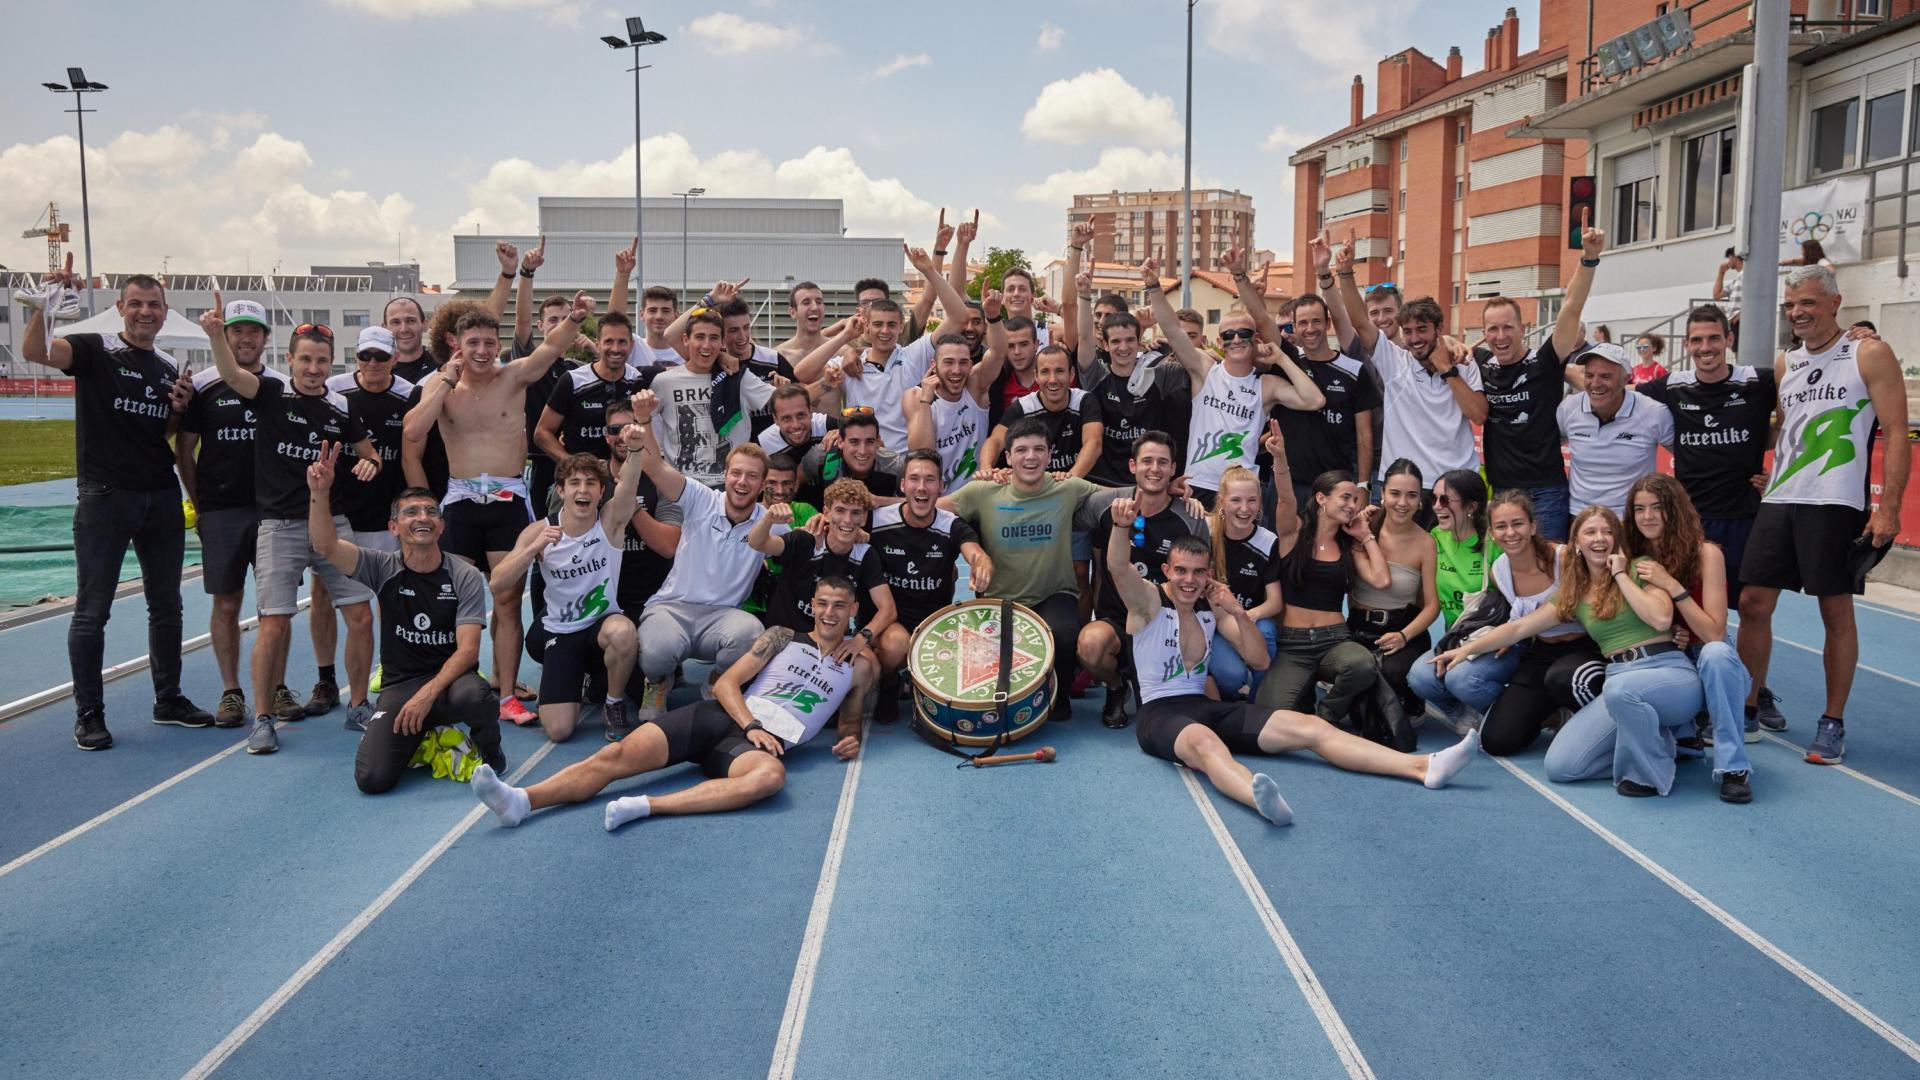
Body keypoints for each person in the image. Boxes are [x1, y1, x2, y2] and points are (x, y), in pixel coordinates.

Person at [1110, 524, 1480, 827]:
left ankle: (1422, 767)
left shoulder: (1213, 608)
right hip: (1160, 714)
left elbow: (1257, 661)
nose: (1189, 580)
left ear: (1209, 574)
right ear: (1167, 572)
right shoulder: (1148, 603)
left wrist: (1238, 612)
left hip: (1206, 707)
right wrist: (1121, 526)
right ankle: (1259, 802)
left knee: (1312, 728)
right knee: (1206, 745)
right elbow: (1117, 567)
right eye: (1181, 571)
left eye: (1197, 572)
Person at [471, 577, 871, 830]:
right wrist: (750, 724)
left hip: (755, 750)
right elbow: (727, 684)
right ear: (813, 605)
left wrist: (849, 738)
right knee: (619, 754)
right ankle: (521, 800)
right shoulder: (783, 636)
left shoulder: (860, 667)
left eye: (839, 606)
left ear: (853, 610)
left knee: (769, 779)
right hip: (726, 718)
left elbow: (849, 722)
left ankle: (646, 805)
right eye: (822, 603)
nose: (829, 613)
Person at [20, 266, 210, 751]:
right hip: (106, 496)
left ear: (164, 314)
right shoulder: (93, 348)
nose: (145, 311)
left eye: (154, 305)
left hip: (160, 494)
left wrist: (178, 410)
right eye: (136, 303)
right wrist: (42, 312)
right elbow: (36, 352)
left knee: (167, 605)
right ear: (121, 308)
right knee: (92, 610)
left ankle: (168, 699)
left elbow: (160, 432)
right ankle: (89, 714)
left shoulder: (168, 366)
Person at [1738, 265, 1909, 764]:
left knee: (1834, 612)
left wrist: (1888, 508)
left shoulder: (1868, 352)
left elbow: (1897, 431)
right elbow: (1792, 429)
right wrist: (1776, 472)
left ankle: (1832, 722)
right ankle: (1748, 705)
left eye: (1808, 303)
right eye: (1792, 306)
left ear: (1835, 303)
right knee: (1751, 602)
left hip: (1835, 502)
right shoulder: (1786, 361)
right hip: (1782, 498)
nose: (1798, 313)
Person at [199, 300, 380, 755]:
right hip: (279, 525)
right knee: (274, 622)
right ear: (290, 360)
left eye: (321, 360)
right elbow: (230, 372)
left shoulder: (340, 408)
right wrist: (217, 336)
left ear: (330, 362)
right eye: (305, 359)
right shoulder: (268, 393)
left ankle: (358, 705)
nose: (314, 368)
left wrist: (369, 466)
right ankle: (262, 719)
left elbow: (370, 452)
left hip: (331, 522)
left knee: (360, 615)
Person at [403, 296, 591, 724]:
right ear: (458, 346)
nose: (483, 351)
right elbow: (414, 430)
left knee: (506, 602)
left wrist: (576, 319)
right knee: (449, 601)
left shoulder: (514, 376)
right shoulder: (440, 383)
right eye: (474, 343)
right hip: (461, 503)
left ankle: (506, 696)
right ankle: (453, 684)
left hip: (507, 503)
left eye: (490, 342)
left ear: (498, 344)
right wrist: (446, 383)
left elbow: (550, 350)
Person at [1436, 506, 1703, 797]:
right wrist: (1466, 650)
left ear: (1618, 539)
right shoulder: (1576, 592)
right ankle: (1660, 745)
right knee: (1561, 767)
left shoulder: (1641, 568)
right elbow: (1518, 628)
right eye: (1590, 532)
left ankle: (1651, 769)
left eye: (1607, 531)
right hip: (1619, 677)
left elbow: (1661, 618)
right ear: (1576, 543)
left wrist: (1621, 574)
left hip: (1664, 671)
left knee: (1620, 690)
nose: (1599, 538)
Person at [303, 445, 503, 794]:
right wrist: (319, 493)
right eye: (411, 512)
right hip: (400, 686)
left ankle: (490, 751)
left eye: (430, 512)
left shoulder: (464, 575)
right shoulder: (381, 566)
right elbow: (325, 545)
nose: (422, 517)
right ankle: (426, 732)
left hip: (451, 683)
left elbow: (469, 652)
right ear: (394, 527)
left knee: (477, 696)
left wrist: (427, 695)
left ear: (441, 526)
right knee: (373, 780)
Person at [625, 391, 776, 723]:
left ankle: (718, 680)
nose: (742, 482)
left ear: (763, 483)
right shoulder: (700, 498)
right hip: (673, 608)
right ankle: (660, 680)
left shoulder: (769, 522)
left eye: (752, 476)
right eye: (736, 473)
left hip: (722, 618)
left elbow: (806, 544)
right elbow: (652, 464)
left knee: (751, 635)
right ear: (726, 473)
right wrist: (644, 418)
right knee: (656, 652)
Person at [942, 417, 1104, 721]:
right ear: (1008, 457)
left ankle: (1061, 695)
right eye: (1022, 450)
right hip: (1000, 599)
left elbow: (1117, 495)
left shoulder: (1067, 487)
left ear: (1049, 455)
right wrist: (873, 507)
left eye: (1039, 450)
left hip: (1053, 594)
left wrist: (1166, 489)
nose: (1030, 457)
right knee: (992, 675)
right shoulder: (983, 490)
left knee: (1065, 634)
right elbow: (927, 509)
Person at [491, 440, 647, 743]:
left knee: (623, 631)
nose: (583, 490)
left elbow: (629, 484)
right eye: (574, 483)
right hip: (559, 632)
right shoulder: (539, 531)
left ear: (602, 492)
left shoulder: (610, 522)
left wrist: (637, 451)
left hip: (602, 627)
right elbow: (497, 582)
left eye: (591, 483)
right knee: (560, 731)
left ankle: (613, 703)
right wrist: (534, 550)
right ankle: (578, 678)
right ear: (560, 491)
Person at [1141, 252, 1324, 507]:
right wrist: (1153, 286)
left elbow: (1314, 400)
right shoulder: (1205, 370)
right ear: (1219, 342)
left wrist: (1281, 358)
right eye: (1229, 334)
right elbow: (1172, 328)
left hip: (1242, 492)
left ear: (1255, 338)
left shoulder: (1266, 385)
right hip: (1200, 485)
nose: (1236, 339)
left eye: (1243, 333)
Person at [176, 299, 284, 728]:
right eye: (236, 330)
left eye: (253, 331)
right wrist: (199, 505)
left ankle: (276, 687)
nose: (245, 338)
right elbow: (184, 450)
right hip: (222, 511)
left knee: (274, 607)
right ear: (224, 335)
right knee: (227, 603)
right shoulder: (204, 386)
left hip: (273, 512)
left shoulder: (279, 385)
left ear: (265, 338)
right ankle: (232, 692)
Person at [1634, 305, 1773, 616]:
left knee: (1751, 608)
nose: (1705, 348)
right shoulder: (1672, 386)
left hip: (1742, 518)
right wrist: (1563, 368)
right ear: (1686, 345)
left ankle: (1741, 666)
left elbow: (1805, 393)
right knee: (1683, 607)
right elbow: (1612, 388)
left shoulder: (1757, 382)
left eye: (1714, 338)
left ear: (1729, 339)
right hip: (1689, 520)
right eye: (1697, 340)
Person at [1623, 474, 1754, 803]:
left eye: (1657, 507)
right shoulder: (1632, 556)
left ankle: (1733, 768)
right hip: (1668, 661)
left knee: (1716, 654)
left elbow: (1714, 633)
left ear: (1675, 510)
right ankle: (1682, 737)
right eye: (1639, 509)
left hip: (1711, 665)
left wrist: (1672, 585)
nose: (1647, 516)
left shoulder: (1707, 554)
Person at [1324, 237, 1486, 500]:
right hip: (1405, 488)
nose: (1415, 338)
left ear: (1439, 329)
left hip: (1457, 486)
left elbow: (1478, 415)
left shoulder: (1464, 364)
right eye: (1408, 331)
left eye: (1422, 330)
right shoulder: (1394, 362)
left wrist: (1447, 370)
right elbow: (1360, 321)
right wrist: (1345, 272)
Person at [1471, 217, 1602, 541]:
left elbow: (1570, 310)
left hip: (1546, 492)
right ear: (1484, 334)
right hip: (1502, 493)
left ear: (1523, 329)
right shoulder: (1481, 362)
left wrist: (1588, 260)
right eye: (1493, 329)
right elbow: (1443, 344)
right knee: (1510, 576)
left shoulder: (1544, 362)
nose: (1501, 336)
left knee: (1551, 576)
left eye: (1508, 327)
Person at [317, 327, 418, 731]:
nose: (373, 364)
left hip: (386, 517)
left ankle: (394, 672)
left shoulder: (409, 394)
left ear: (395, 358)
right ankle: (326, 680)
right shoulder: (335, 393)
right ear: (355, 358)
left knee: (392, 597)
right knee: (324, 596)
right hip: (342, 516)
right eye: (365, 357)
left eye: (381, 357)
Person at [1076, 431, 1211, 727]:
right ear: (1132, 466)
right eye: (1147, 461)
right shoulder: (1104, 503)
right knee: (1090, 644)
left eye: (1163, 463)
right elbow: (1069, 511)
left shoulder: (1190, 517)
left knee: (1194, 708)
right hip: (1116, 621)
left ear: (1173, 470)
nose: (1155, 469)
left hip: (1164, 624)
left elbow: (1204, 576)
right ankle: (1115, 686)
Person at [1454, 490, 1602, 753]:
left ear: (1533, 526)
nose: (1510, 533)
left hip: (1585, 649)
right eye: (1501, 526)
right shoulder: (1498, 570)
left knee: (1562, 678)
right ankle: (1555, 715)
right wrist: (1505, 639)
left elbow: (1535, 621)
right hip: (1541, 654)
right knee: (1496, 741)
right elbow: (1519, 618)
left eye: (1518, 523)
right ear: (1491, 532)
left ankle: (1592, 725)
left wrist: (1509, 634)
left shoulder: (1565, 559)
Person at [1252, 462, 1393, 725]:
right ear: (1321, 498)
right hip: (1293, 645)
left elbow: (1381, 579)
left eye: (1355, 499)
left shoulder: (1349, 546)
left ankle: (1327, 714)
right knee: (1270, 715)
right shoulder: (1293, 532)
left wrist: (1365, 535)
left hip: (1335, 641)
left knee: (1363, 665)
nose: (1352, 505)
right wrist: (1281, 458)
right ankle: (1304, 692)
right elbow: (1285, 496)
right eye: (1345, 497)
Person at [868, 449, 994, 724]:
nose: (921, 487)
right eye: (914, 479)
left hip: (935, 626)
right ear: (903, 485)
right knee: (896, 644)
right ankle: (889, 685)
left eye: (930, 480)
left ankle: (917, 679)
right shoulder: (877, 520)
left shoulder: (952, 526)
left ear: (941, 487)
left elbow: (974, 551)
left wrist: (981, 564)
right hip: (890, 624)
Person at [1281, 242, 1381, 509]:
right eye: (1302, 323)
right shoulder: (1287, 366)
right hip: (1292, 486)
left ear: (1328, 324)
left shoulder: (1354, 370)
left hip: (1337, 487)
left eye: (1316, 321)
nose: (1310, 329)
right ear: (1295, 327)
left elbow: (1364, 436)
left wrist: (1362, 485)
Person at [646, 306, 775, 489]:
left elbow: (786, 401)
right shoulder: (664, 382)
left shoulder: (738, 377)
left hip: (729, 487)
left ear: (722, 342)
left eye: (713, 338)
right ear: (686, 340)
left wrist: (824, 384)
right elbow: (640, 421)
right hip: (681, 487)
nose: (706, 345)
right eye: (699, 337)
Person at [1349, 459, 1440, 720]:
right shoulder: (1362, 527)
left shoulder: (1426, 543)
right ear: (1382, 494)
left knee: (1391, 675)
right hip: (1359, 629)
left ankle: (1409, 696)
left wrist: (1404, 635)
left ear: (1420, 500)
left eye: (1411, 495)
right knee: (1358, 697)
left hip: (1402, 631)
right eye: (1395, 493)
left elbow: (1432, 606)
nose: (1402, 502)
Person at [750, 478, 895, 641]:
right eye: (840, 510)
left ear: (864, 518)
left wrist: (861, 640)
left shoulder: (865, 554)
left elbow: (888, 609)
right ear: (826, 513)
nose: (847, 520)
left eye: (855, 513)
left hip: (833, 643)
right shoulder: (806, 539)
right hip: (786, 637)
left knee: (868, 665)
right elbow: (757, 542)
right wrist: (768, 519)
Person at [1558, 342, 1674, 516]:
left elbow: (1686, 457)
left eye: (1605, 376)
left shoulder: (1653, 413)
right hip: (1580, 518)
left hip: (1631, 521)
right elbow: (1545, 449)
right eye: (1589, 375)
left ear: (1626, 379)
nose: (1595, 384)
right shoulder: (1569, 408)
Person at [1204, 465, 1285, 700]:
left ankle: (1260, 702)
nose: (1244, 508)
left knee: (1267, 629)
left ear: (1260, 502)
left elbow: (1275, 602)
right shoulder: (1206, 533)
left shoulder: (1267, 541)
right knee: (1231, 677)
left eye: (1251, 501)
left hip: (1249, 618)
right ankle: (1229, 693)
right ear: (1222, 501)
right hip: (1216, 622)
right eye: (1236, 500)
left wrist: (1247, 616)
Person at [904, 321, 1007, 495]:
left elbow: (998, 352)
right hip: (935, 503)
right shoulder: (915, 396)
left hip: (974, 497)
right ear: (934, 365)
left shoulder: (975, 386)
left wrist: (993, 316)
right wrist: (926, 402)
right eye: (948, 362)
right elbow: (923, 454)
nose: (956, 370)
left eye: (963, 363)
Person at [535, 310, 646, 466]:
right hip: (582, 480)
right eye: (609, 341)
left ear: (631, 344)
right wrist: (573, 464)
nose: (615, 349)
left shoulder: (637, 380)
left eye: (622, 342)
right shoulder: (573, 380)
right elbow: (542, 433)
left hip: (626, 476)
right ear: (597, 344)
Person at [977, 344, 1103, 480]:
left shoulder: (1084, 400)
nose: (1052, 380)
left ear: (1071, 374)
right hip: (1035, 486)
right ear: (1036, 376)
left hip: (1075, 483)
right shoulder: (1024, 406)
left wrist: (1070, 480)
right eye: (1045, 372)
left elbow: (1093, 443)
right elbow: (995, 440)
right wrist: (986, 469)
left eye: (1059, 371)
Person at [798, 409, 902, 507]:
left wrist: (879, 501)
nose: (862, 451)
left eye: (869, 441)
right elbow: (792, 486)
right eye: (854, 442)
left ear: (878, 441)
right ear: (840, 442)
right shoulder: (821, 455)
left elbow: (916, 503)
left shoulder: (894, 464)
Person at [1429, 469, 1491, 627]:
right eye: (1433, 499)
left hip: (1489, 639)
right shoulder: (1435, 536)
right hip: (1452, 639)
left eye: (1444, 500)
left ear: (1471, 507)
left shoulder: (1494, 543)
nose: (1436, 506)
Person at [757, 384, 838, 460]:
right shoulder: (764, 444)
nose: (796, 425)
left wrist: (841, 434)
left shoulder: (826, 425)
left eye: (800, 415)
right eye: (786, 418)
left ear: (810, 412)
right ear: (775, 419)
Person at [1713, 248, 1743, 353]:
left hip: (1742, 322)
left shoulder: (1748, 274)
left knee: (1741, 354)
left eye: (1729, 258)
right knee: (1738, 353)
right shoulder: (1737, 279)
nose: (1728, 261)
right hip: (1734, 322)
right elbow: (1716, 294)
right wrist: (1721, 273)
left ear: (1735, 256)